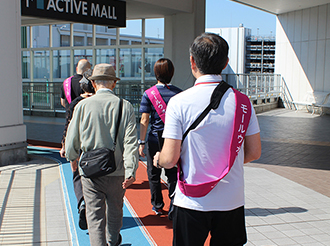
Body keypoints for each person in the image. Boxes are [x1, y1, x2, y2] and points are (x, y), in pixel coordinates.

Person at [153, 33, 261, 246]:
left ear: (192, 61)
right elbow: (254, 152)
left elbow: (170, 158)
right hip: (232, 200)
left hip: (191, 201)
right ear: (225, 63)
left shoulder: (178, 102)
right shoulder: (243, 102)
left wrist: (158, 159)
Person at [65, 63, 139, 246]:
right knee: (115, 211)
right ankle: (113, 241)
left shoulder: (82, 106)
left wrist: (72, 156)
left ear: (94, 83)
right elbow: (130, 142)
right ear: (114, 84)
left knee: (95, 216)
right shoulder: (125, 106)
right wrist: (131, 170)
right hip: (117, 170)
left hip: (90, 171)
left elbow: (72, 141)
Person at [139, 58, 182, 217]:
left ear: (155, 73)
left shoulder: (148, 94)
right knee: (173, 174)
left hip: (154, 138)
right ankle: (174, 206)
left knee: (154, 174)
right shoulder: (179, 93)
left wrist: (141, 142)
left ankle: (157, 205)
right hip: (173, 138)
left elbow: (144, 119)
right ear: (171, 73)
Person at [60, 69, 95, 230]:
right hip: (96, 145)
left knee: (77, 175)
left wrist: (64, 145)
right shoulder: (98, 101)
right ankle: (96, 208)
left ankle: (82, 202)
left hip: (78, 145)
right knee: (96, 177)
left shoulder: (75, 103)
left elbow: (68, 126)